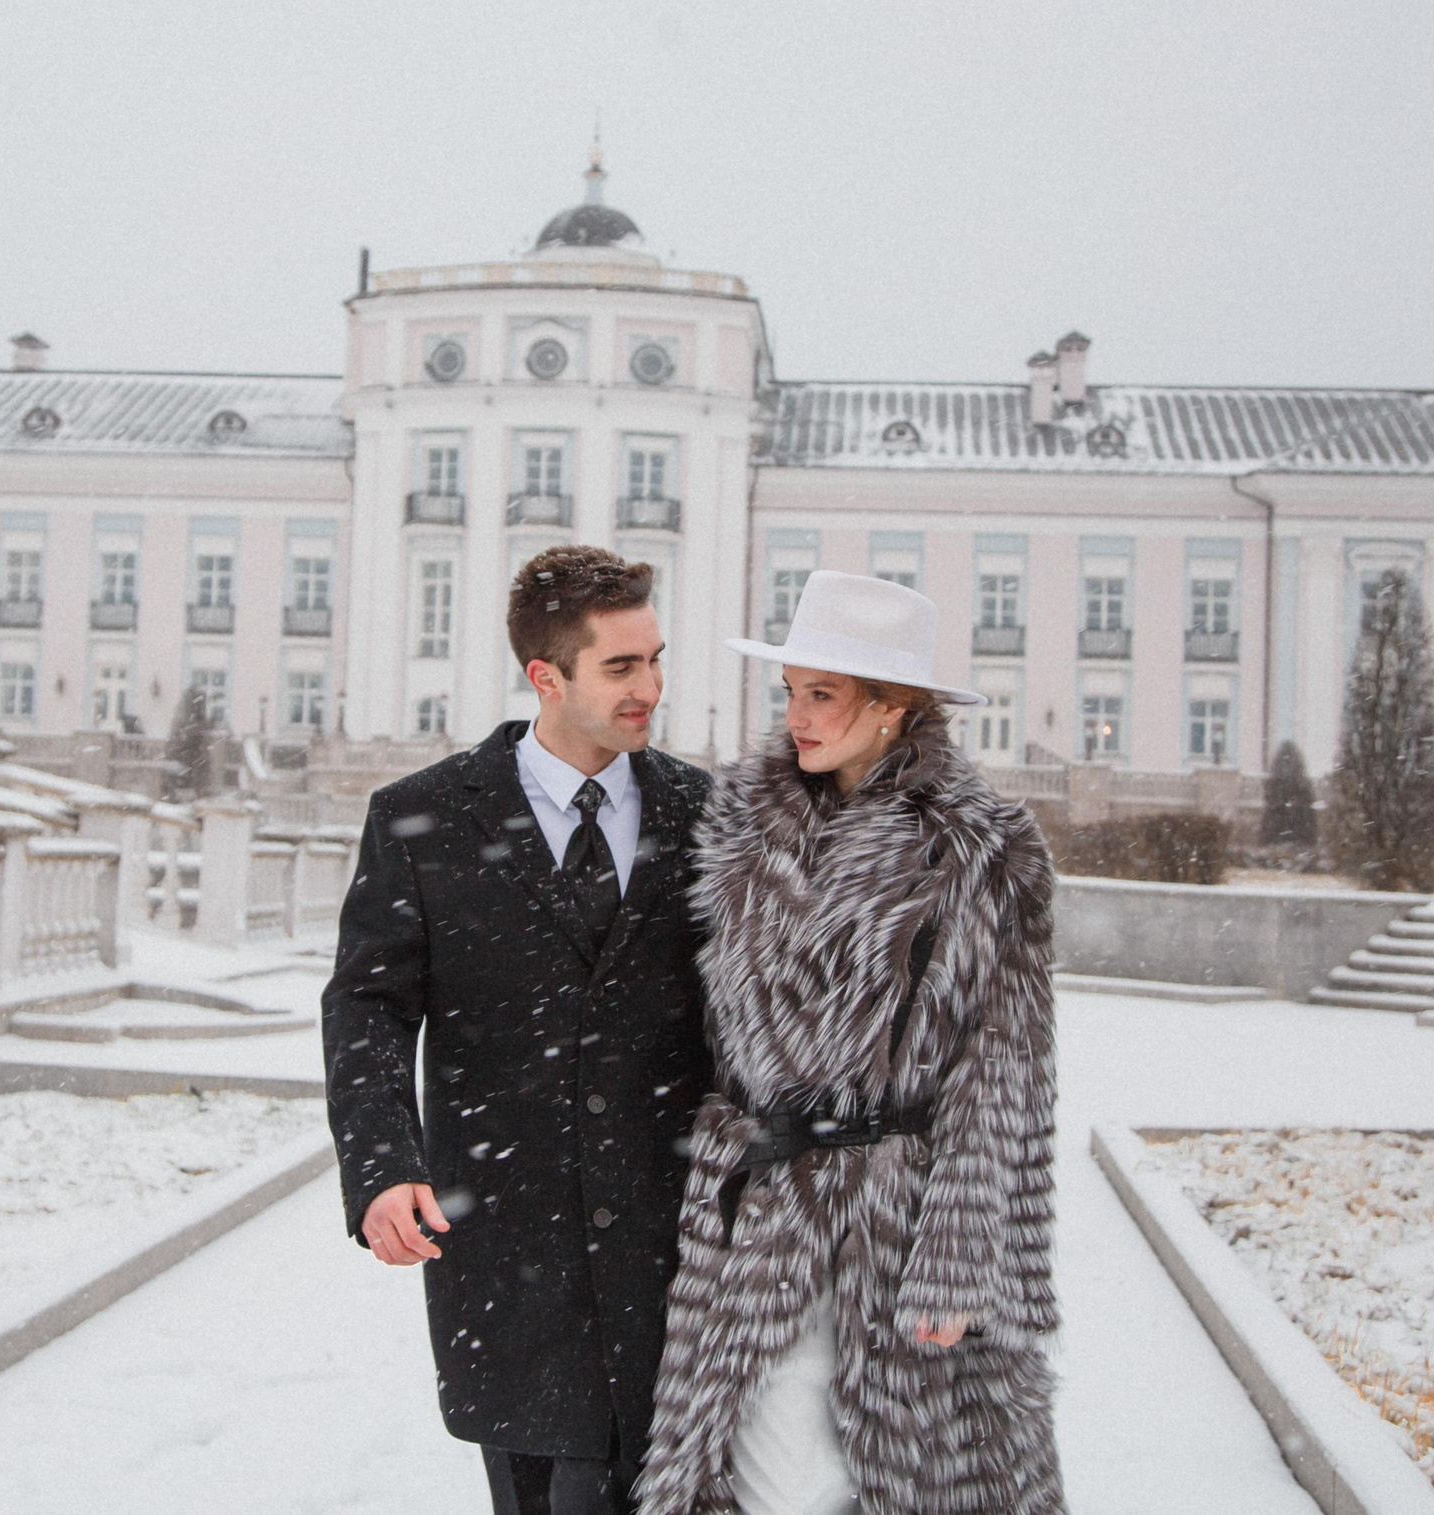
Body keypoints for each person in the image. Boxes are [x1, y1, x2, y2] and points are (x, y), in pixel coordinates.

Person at [634, 570, 1064, 1515]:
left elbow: (1004, 1072)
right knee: (752, 1473)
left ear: (894, 705)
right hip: (756, 1217)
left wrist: (958, 1257)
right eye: (790, 691)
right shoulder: (741, 821)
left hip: (898, 1222)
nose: (797, 715)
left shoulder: (982, 847)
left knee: (872, 1477)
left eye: (821, 693)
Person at [322, 544, 715, 1515]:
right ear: (547, 675)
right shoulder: (421, 817)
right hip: (508, 1255)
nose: (650, 689)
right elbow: (366, 1003)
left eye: (656, 659)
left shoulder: (711, 817)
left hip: (677, 1256)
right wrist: (381, 1165)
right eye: (622, 667)